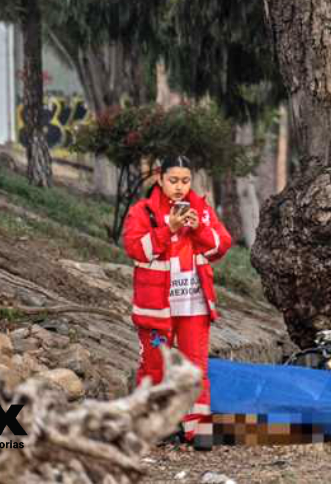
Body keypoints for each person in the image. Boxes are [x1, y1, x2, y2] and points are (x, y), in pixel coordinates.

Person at [123, 155, 232, 451]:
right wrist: (167, 228)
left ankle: (199, 430)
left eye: (185, 180)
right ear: (160, 179)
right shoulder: (143, 211)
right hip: (155, 309)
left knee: (196, 367)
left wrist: (199, 230)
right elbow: (135, 248)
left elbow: (222, 244)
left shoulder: (201, 209)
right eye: (173, 180)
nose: (180, 187)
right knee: (155, 366)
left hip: (193, 305)